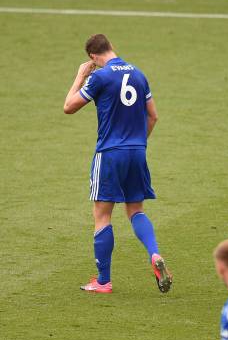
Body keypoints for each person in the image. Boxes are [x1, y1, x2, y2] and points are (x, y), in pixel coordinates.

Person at [63, 34, 171, 294]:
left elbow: (68, 106)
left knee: (102, 216)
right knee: (135, 210)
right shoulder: (138, 74)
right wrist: (137, 144)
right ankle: (154, 254)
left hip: (110, 153)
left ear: (93, 57)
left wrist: (80, 76)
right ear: (112, 47)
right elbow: (153, 116)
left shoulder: (99, 76)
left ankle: (103, 281)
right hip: (137, 151)